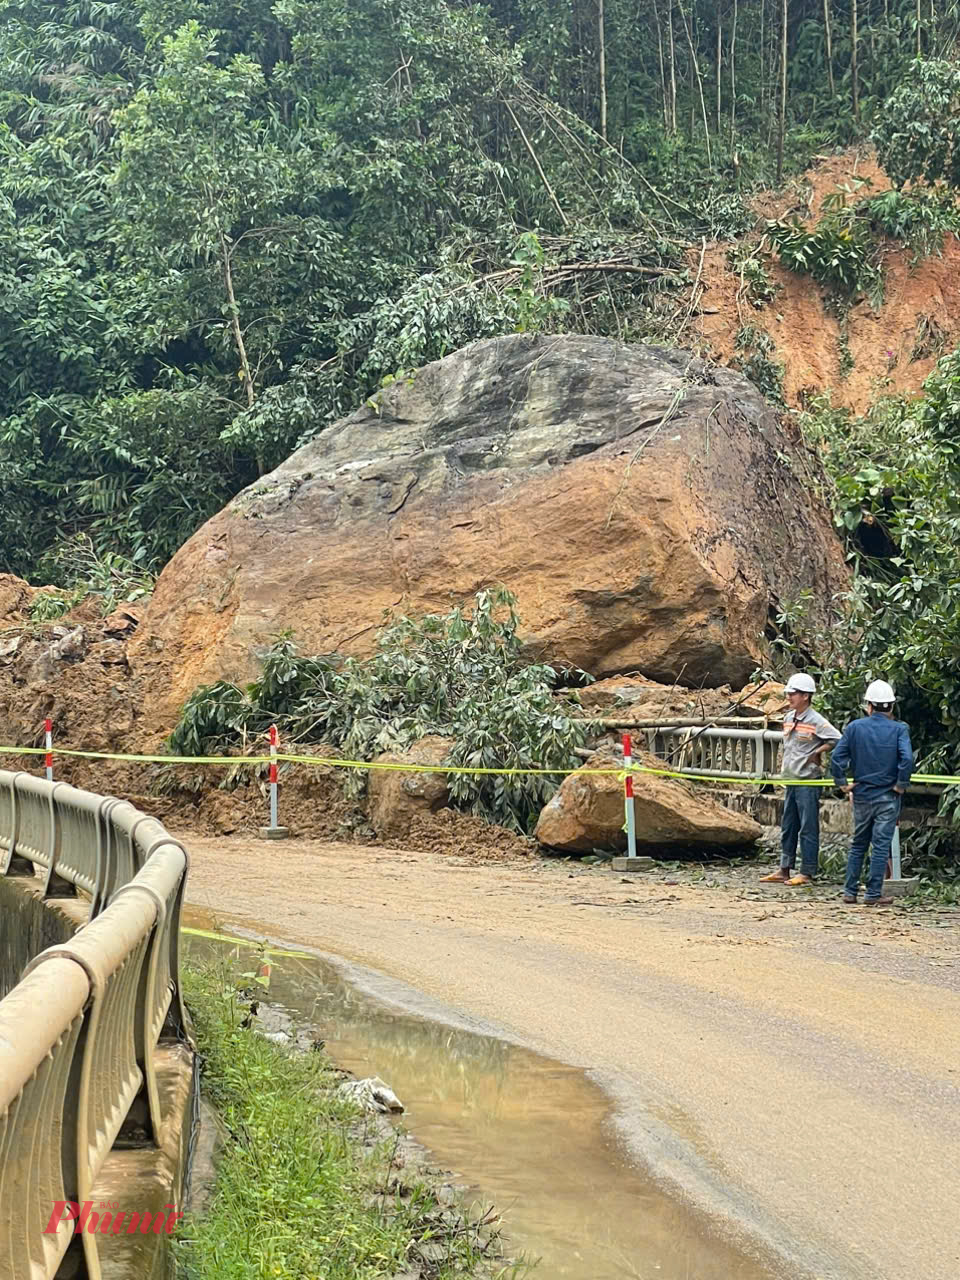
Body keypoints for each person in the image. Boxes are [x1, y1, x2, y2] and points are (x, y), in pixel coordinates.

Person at [830, 680, 914, 907]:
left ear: (869, 705)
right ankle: (873, 894)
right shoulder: (899, 729)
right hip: (888, 796)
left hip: (862, 795)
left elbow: (837, 759)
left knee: (859, 844)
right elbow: (906, 759)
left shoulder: (855, 728)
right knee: (880, 846)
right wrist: (901, 784)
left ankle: (850, 892)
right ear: (891, 707)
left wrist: (842, 784)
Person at [760, 673, 841, 886]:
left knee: (807, 826)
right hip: (792, 780)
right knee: (788, 825)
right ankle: (784, 868)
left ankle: (807, 871)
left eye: (793, 693)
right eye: (789, 693)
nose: (789, 697)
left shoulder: (816, 720)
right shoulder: (788, 718)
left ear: (806, 696)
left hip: (808, 781)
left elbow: (838, 739)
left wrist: (818, 752)